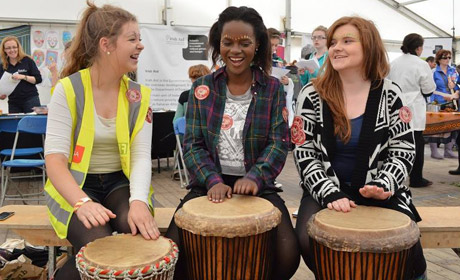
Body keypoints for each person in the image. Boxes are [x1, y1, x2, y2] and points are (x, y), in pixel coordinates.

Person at [165, 6, 300, 279]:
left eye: (245, 43)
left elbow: (279, 141)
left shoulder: (272, 88)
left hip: (257, 186)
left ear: (258, 44)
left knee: (288, 255)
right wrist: (213, 180)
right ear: (218, 44)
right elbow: (192, 144)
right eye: (227, 42)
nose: (235, 50)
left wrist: (255, 176)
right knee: (174, 252)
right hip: (208, 185)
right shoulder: (201, 88)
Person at [293, 16, 427, 280]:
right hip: (326, 191)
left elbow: (404, 149)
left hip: (379, 192)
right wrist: (329, 193)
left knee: (410, 255)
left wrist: (384, 183)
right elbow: (304, 152)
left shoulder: (391, 93)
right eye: (333, 42)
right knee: (309, 242)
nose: (336, 48)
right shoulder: (311, 94)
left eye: (347, 41)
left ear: (369, 46)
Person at [44, 1, 159, 279]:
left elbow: (141, 156)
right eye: (132, 39)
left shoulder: (139, 95)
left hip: (120, 183)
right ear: (106, 44)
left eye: (140, 39)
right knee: (100, 245)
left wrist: (140, 201)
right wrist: (82, 202)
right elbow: (55, 160)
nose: (140, 46)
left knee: (140, 234)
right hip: (75, 187)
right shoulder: (67, 89)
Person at [388, 33, 436, 188]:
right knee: (417, 144)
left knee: (394, 144)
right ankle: (416, 178)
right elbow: (428, 89)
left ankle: (392, 177)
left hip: (395, 109)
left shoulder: (394, 63)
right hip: (413, 109)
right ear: (418, 47)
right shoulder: (421, 64)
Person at [428, 49, 459, 159]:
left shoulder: (453, 71)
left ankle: (448, 150)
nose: (447, 60)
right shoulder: (433, 72)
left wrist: (455, 90)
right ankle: (434, 151)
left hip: (452, 102)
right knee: (435, 128)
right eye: (445, 57)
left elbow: (458, 86)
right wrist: (431, 103)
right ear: (439, 59)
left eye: (449, 57)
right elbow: (430, 88)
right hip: (437, 102)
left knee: (450, 126)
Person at [0, 36, 42, 113]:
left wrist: (23, 77)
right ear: (4, 50)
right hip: (13, 103)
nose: (12, 50)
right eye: (8, 48)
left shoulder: (27, 61)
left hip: (31, 100)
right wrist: (1, 96)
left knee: (32, 124)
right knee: (15, 124)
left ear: (18, 48)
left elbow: (38, 79)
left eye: (14, 47)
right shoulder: (2, 66)